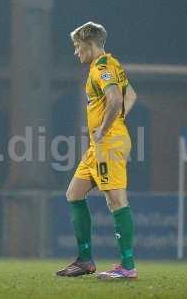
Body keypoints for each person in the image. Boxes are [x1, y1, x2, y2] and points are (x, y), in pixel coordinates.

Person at [56, 22, 138, 279]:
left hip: (108, 143)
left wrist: (104, 129)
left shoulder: (101, 68)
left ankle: (127, 267)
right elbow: (131, 97)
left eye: (78, 46)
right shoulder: (113, 64)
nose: (76, 52)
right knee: (74, 193)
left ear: (89, 44)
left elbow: (115, 99)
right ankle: (85, 260)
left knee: (116, 201)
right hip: (99, 146)